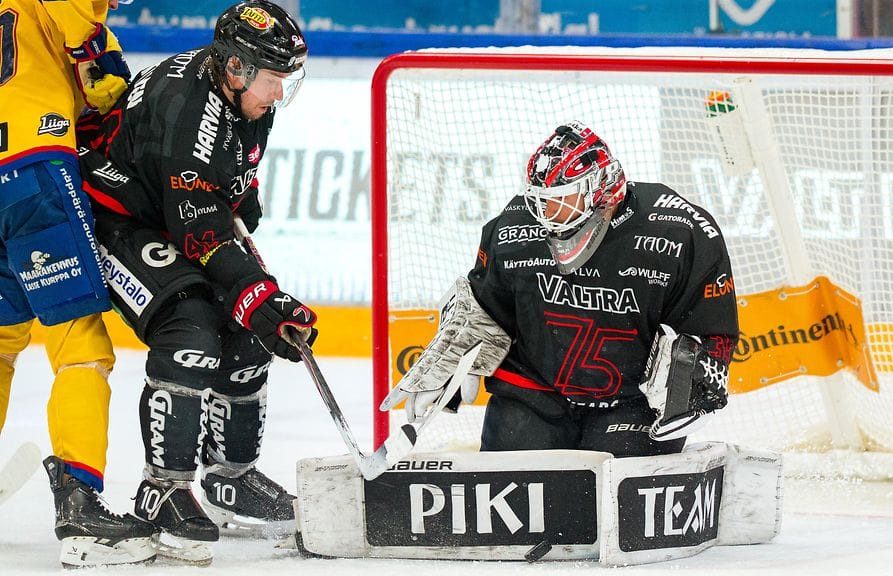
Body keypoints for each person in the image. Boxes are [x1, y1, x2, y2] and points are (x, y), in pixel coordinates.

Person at [75, 0, 316, 564]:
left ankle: (231, 479)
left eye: (287, 78)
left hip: (171, 212)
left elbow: (227, 185)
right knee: (191, 329)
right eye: (274, 80)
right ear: (236, 69)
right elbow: (201, 232)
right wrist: (259, 293)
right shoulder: (186, 111)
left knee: (247, 327)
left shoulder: (244, 91)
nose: (279, 93)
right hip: (115, 219)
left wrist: (243, 213)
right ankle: (164, 488)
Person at [383, 121, 738, 457]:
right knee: (511, 488)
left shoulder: (676, 230)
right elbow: (489, 305)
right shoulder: (515, 228)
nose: (545, 210)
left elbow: (708, 324)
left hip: (631, 403)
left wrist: (691, 379)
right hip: (533, 394)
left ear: (602, 190)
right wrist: (457, 351)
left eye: (561, 198)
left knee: (615, 493)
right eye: (539, 197)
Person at [0, 0, 158, 568]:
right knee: (80, 348)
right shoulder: (78, 18)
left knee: (1, 344)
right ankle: (80, 504)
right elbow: (105, 93)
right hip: (35, 169)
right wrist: (102, 55)